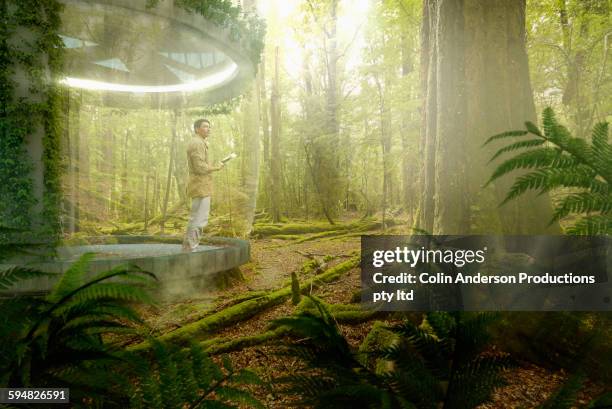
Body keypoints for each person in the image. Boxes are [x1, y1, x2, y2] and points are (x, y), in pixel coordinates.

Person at [182, 118, 224, 252]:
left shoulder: (200, 142)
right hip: (200, 186)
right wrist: (216, 167)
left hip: (202, 186)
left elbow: (201, 164)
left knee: (197, 218)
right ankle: (191, 249)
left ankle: (188, 248)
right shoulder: (197, 143)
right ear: (196, 129)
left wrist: (214, 166)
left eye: (209, 127)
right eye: (205, 126)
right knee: (199, 219)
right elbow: (199, 167)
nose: (208, 129)